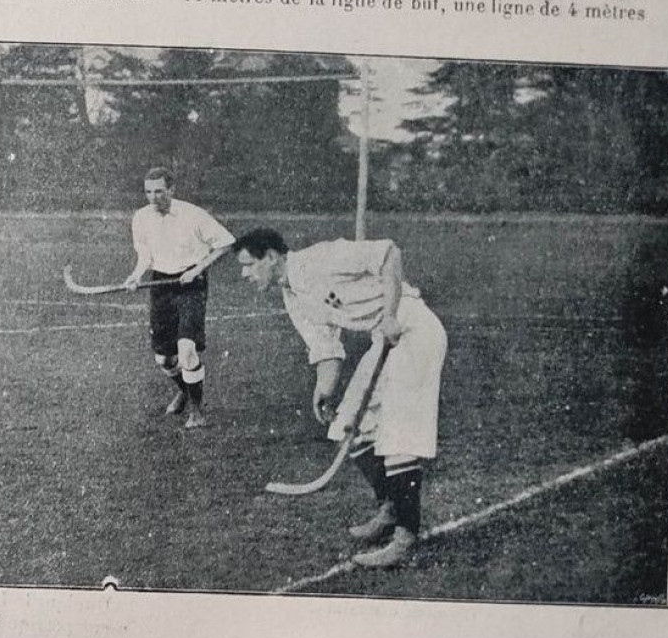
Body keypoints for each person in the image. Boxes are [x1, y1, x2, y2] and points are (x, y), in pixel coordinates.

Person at [232, 228, 447, 568]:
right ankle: (390, 509)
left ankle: (405, 538)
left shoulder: (321, 258)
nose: (244, 275)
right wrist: (324, 388)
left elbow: (389, 251)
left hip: (411, 328)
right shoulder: (292, 297)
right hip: (384, 341)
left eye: (248, 265)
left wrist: (390, 314)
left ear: (271, 257)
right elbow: (325, 346)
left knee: (398, 437)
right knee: (348, 425)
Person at [120, 166, 236, 429]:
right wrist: (136, 276)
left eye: (159, 191)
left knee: (187, 349)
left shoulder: (193, 215)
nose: (153, 197)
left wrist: (196, 269)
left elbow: (226, 243)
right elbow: (145, 256)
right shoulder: (141, 217)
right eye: (148, 192)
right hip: (161, 283)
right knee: (165, 359)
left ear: (171, 190)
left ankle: (197, 412)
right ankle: (184, 390)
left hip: (191, 285)